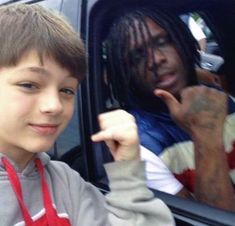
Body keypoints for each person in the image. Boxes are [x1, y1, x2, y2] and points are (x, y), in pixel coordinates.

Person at [0, 4, 175, 226]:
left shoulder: (65, 182)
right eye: (29, 84)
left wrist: (127, 173)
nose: (54, 106)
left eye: (67, 90)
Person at [104, 8, 235, 211]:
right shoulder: (140, 148)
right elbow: (209, 218)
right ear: (126, 72)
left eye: (162, 42)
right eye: (137, 56)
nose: (156, 60)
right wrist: (205, 133)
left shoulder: (221, 98)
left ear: (182, 39)